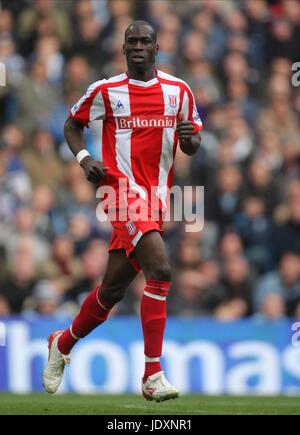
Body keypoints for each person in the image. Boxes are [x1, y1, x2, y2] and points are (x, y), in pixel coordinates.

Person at [43, 20, 202, 402]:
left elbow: (193, 141)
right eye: (131, 41)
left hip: (158, 200)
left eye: (145, 41)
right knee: (160, 270)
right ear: (124, 47)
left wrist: (190, 140)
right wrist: (84, 159)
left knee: (111, 292)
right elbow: (71, 124)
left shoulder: (178, 91)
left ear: (157, 47)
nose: (138, 47)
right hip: (119, 194)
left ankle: (62, 342)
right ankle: (152, 373)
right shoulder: (106, 90)